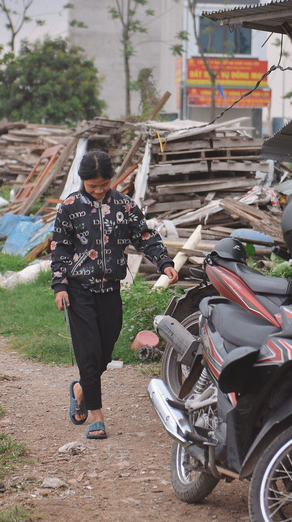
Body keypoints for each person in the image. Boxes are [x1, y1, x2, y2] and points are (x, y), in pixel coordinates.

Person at [52, 150, 178, 440]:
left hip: (110, 290)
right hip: (78, 289)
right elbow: (59, 247)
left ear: (112, 180)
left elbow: (144, 236)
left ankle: (80, 389)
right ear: (83, 181)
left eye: (103, 185)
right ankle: (97, 416)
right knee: (89, 353)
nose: (98, 191)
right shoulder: (69, 207)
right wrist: (59, 285)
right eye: (92, 186)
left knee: (105, 354)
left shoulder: (123, 205)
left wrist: (165, 263)